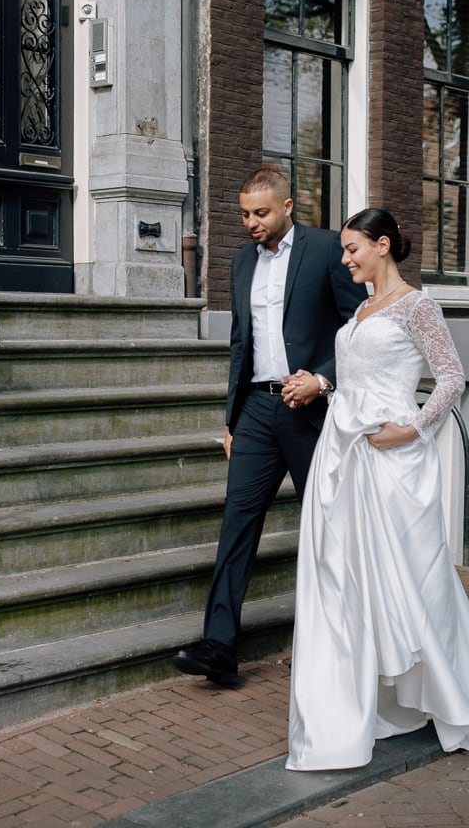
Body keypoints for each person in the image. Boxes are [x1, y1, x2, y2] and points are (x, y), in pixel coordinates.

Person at [286, 207, 469, 771]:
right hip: (344, 454)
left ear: (383, 245)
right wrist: (323, 383)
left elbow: (450, 378)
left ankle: (447, 694)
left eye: (352, 250)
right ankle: (367, 703)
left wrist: (412, 427)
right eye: (343, 251)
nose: (344, 260)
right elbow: (358, 371)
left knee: (417, 580)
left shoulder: (419, 306)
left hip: (393, 458)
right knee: (347, 581)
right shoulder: (363, 309)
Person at [174, 169, 364, 687]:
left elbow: (358, 329)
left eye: (260, 213)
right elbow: (241, 343)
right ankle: (219, 646)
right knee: (237, 524)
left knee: (327, 525)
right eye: (244, 214)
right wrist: (231, 420)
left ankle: (345, 642)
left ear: (287, 207)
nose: (250, 223)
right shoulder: (239, 262)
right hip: (256, 411)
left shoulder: (327, 250)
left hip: (310, 410)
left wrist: (323, 379)